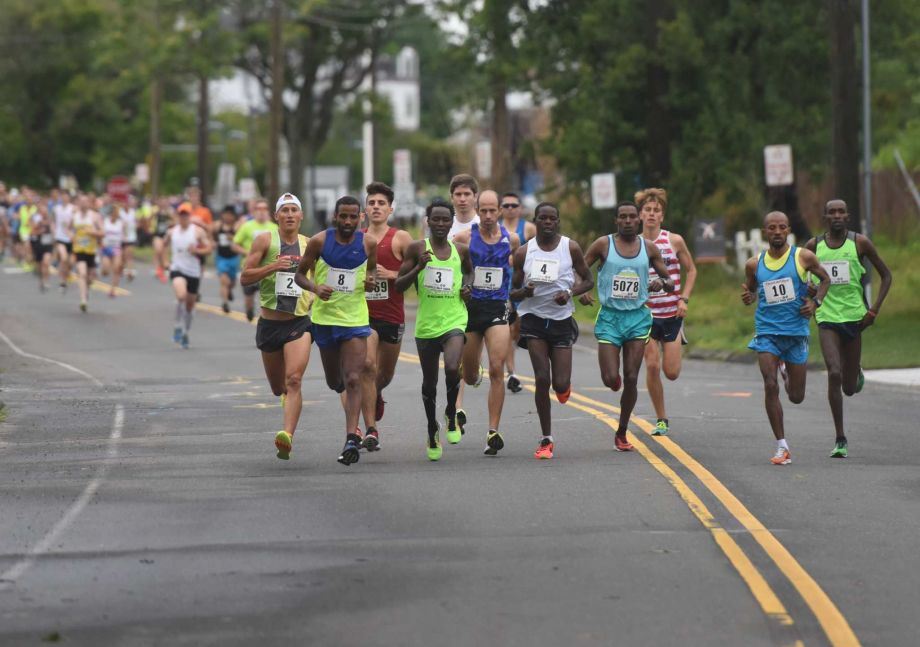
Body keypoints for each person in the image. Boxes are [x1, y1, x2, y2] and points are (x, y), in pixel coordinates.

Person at [581, 201, 676, 452]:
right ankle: (614, 383)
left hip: (638, 318)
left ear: (638, 220)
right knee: (611, 378)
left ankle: (622, 431)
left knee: (632, 377)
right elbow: (580, 270)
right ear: (616, 220)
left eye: (631, 217)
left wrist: (662, 283)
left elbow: (670, 281)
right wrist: (582, 290)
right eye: (622, 217)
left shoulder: (649, 248)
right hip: (610, 317)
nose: (627, 221)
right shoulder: (603, 245)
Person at [804, 199, 892, 458]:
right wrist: (810, 292)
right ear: (825, 217)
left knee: (849, 387)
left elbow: (886, 275)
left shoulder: (860, 243)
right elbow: (801, 276)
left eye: (841, 211)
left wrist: (873, 309)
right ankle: (840, 438)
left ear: (848, 215)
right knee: (833, 372)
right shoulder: (814, 246)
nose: (837, 216)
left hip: (854, 317)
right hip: (827, 316)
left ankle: (856, 371)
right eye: (832, 212)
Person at [741, 211, 830, 465]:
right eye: (772, 228)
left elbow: (825, 279)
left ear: (788, 229)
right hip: (767, 332)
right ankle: (782, 446)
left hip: (796, 333)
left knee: (796, 396)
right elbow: (751, 290)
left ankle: (785, 368)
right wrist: (749, 297)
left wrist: (816, 302)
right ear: (764, 232)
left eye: (782, 227)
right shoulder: (754, 264)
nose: (777, 232)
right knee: (770, 385)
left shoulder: (803, 257)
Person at [295, 196, 377, 466]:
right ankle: (347, 409)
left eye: (353, 217)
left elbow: (372, 274)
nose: (348, 222)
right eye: (343, 216)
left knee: (354, 377)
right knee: (336, 381)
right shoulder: (319, 241)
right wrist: (315, 288)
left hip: (354, 319)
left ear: (360, 218)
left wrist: (371, 282)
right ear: (335, 216)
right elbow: (299, 275)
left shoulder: (368, 243)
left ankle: (351, 439)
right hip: (325, 320)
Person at [511, 202, 593, 459]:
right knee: (542, 378)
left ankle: (563, 387)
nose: (547, 222)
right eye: (542, 218)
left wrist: (568, 293)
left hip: (561, 320)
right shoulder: (524, 252)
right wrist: (524, 292)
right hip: (533, 319)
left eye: (552, 218)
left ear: (558, 221)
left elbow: (588, 279)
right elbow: (512, 291)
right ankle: (546, 437)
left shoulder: (570, 248)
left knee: (559, 383)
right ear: (535, 221)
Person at [396, 198, 473, 460]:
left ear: (452, 222)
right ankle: (432, 428)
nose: (440, 224)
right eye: (435, 219)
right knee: (430, 384)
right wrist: (419, 267)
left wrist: (468, 288)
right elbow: (398, 285)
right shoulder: (417, 249)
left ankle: (451, 413)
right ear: (427, 222)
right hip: (427, 325)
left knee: (452, 368)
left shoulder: (461, 250)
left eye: (445, 219)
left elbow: (469, 273)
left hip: (454, 320)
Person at [240, 192, 314, 460]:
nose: (290, 215)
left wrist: (316, 295)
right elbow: (245, 277)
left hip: (299, 322)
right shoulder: (265, 241)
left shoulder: (310, 245)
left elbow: (319, 276)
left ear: (301, 215)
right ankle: (283, 395)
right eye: (285, 210)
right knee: (277, 387)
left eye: (295, 210)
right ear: (276, 216)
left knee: (294, 379)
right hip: (271, 323)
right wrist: (272, 268)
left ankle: (287, 436)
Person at [452, 190, 520, 455]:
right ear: (477, 210)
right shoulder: (464, 237)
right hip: (470, 310)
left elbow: (519, 266)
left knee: (496, 367)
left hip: (497, 308)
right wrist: (460, 288)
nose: (489, 216)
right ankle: (471, 371)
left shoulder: (510, 239)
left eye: (494, 211)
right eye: (485, 211)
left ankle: (493, 430)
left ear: (500, 211)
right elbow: (450, 266)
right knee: (468, 376)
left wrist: (517, 292)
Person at [636, 188, 697, 435]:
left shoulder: (674, 241)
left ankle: (678, 336)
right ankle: (661, 418)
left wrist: (684, 299)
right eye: (647, 210)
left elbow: (691, 270)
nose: (651, 214)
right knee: (652, 365)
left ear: (662, 216)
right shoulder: (634, 244)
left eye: (656, 211)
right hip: (645, 315)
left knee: (671, 373)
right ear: (640, 215)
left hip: (671, 313)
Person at [359, 181, 413, 450]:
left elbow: (418, 271)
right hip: (362, 316)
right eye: (372, 203)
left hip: (392, 314)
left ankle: (378, 393)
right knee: (367, 366)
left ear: (390, 209)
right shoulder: (357, 237)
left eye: (381, 203)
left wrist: (392, 274)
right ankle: (370, 429)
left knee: (384, 374)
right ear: (365, 209)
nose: (376, 207)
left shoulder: (400, 238)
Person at [446, 174, 481, 431]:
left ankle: (474, 369)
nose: (462, 199)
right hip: (454, 298)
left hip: (483, 297)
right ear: (452, 198)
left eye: (467, 194)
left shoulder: (485, 223)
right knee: (453, 358)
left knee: (469, 372)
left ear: (475, 197)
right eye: (458, 194)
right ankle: (456, 407)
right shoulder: (444, 225)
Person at [499, 192, 536, 394]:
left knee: (518, 329)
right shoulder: (495, 228)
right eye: (507, 205)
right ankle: (511, 372)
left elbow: (540, 250)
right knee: (508, 327)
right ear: (501, 208)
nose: (511, 209)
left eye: (514, 205)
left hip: (524, 283)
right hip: (503, 283)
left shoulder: (528, 228)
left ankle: (513, 365)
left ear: (520, 208)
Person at [161, 202, 212, 349]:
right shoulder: (172, 232)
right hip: (177, 268)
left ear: (190, 216)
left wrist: (197, 251)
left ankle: (185, 332)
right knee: (181, 295)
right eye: (181, 215)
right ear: (178, 216)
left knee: (190, 306)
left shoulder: (197, 231)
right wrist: (165, 262)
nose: (183, 218)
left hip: (193, 272)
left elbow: (209, 248)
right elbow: (163, 246)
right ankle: (177, 325)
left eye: (186, 215)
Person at [233, 198, 277, 321]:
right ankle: (249, 310)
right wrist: (247, 252)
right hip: (251, 267)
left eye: (264, 209)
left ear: (268, 211)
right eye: (259, 209)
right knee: (249, 297)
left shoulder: (274, 227)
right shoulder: (247, 226)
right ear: (254, 211)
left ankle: (268, 317)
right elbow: (235, 244)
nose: (262, 211)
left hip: (268, 268)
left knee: (269, 296)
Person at [70, 195, 104, 312]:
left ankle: (86, 290)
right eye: (81, 201)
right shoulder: (74, 216)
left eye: (86, 202)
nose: (83, 204)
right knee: (82, 273)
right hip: (79, 250)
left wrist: (92, 232)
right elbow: (68, 228)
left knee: (90, 279)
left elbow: (102, 232)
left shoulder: (95, 216)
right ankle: (83, 300)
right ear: (78, 203)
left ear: (89, 203)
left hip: (91, 251)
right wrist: (71, 236)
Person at [213, 205, 241, 313]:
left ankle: (229, 290)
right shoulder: (217, 226)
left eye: (230, 215)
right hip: (221, 257)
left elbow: (241, 238)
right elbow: (210, 232)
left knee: (232, 282)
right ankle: (225, 302)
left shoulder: (237, 227)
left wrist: (233, 238)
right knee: (224, 280)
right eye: (226, 214)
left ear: (234, 216)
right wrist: (213, 241)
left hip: (234, 257)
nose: (228, 217)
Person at [100, 204, 125, 298]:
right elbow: (101, 233)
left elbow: (123, 236)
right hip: (106, 247)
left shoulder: (121, 223)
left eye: (117, 213)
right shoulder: (105, 222)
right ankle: (103, 270)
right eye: (115, 212)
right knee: (106, 270)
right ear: (111, 213)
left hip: (116, 248)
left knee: (116, 268)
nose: (116, 214)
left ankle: (113, 290)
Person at [28, 202, 54, 292]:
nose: (44, 213)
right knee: (39, 265)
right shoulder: (36, 219)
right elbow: (32, 232)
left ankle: (46, 280)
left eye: (45, 211)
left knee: (46, 263)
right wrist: (39, 229)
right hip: (38, 244)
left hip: (48, 244)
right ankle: (41, 280)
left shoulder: (50, 220)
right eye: (42, 211)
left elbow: (53, 231)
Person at [53, 192, 76, 292]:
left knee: (70, 262)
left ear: (69, 198)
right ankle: (62, 282)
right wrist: (53, 231)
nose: (64, 198)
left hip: (71, 238)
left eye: (66, 196)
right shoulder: (56, 209)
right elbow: (52, 221)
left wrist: (71, 230)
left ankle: (67, 274)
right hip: (60, 237)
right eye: (63, 196)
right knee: (64, 258)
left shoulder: (73, 208)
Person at [152, 197, 174, 283]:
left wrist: (170, 222)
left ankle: (161, 269)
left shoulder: (169, 212)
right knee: (158, 250)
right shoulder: (156, 212)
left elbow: (175, 220)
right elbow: (148, 219)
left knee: (164, 254)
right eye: (162, 202)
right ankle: (159, 268)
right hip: (157, 235)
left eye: (165, 202)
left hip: (166, 235)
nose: (163, 204)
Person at [120, 196, 139, 281]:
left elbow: (137, 222)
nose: (126, 204)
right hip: (121, 237)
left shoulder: (133, 212)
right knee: (123, 256)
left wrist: (136, 225)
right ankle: (121, 268)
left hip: (131, 236)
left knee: (129, 255)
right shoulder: (120, 212)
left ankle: (130, 271)